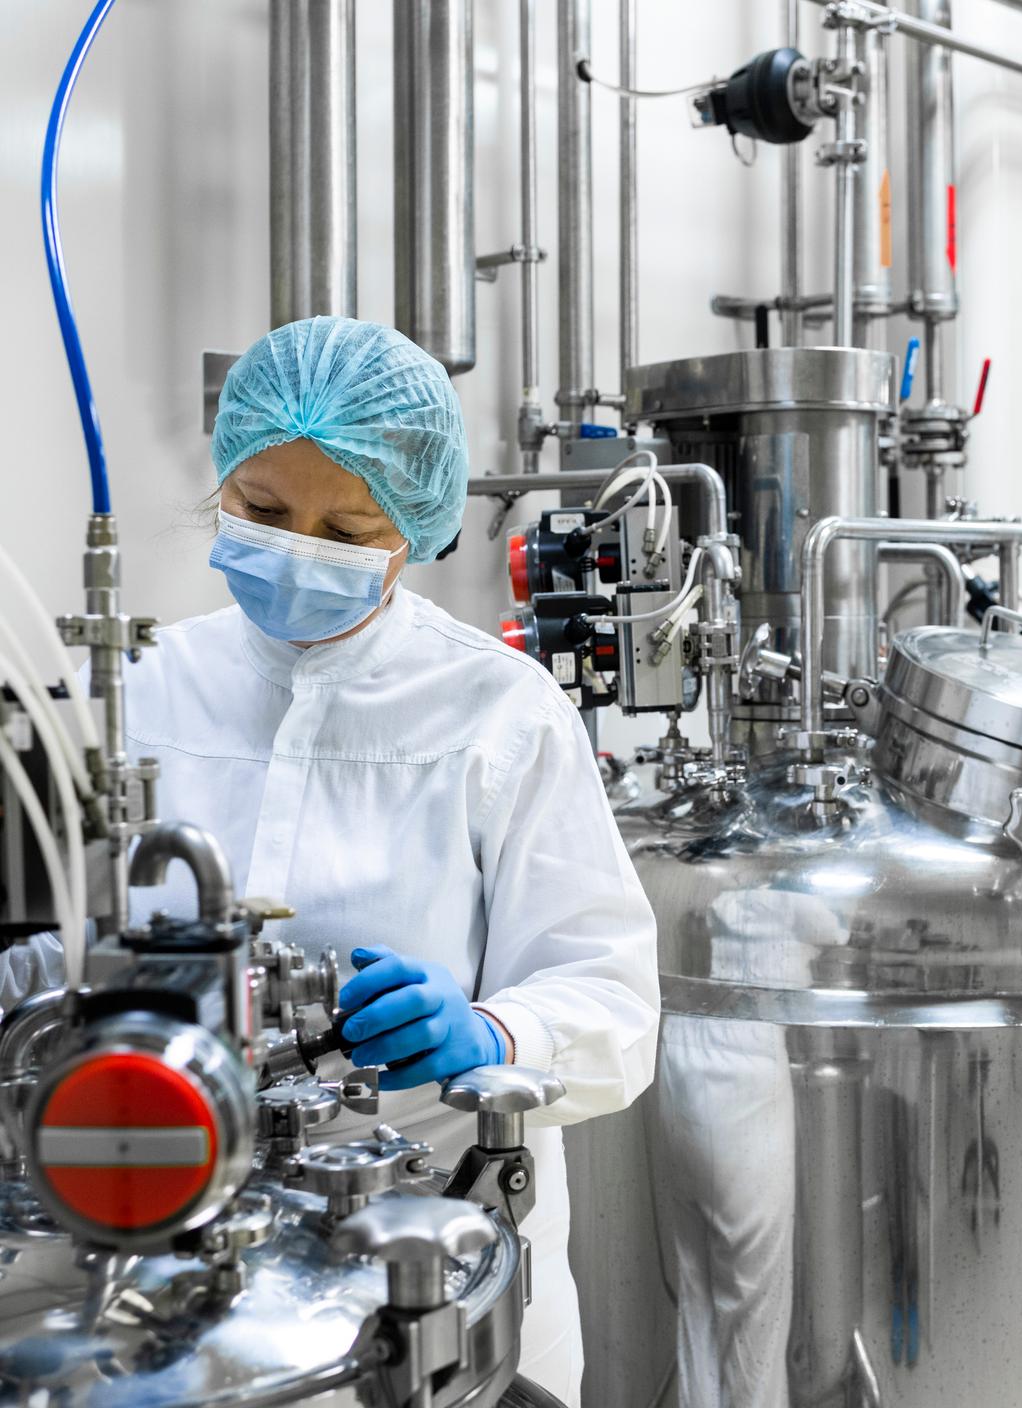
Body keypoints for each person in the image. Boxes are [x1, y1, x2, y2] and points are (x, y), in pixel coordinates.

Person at [69, 316, 659, 1404]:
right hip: (165, 1259)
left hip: (436, 1268)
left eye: (345, 528)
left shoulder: (500, 709)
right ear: (220, 485)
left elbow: (612, 998)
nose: (298, 548)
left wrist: (491, 1031)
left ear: (417, 529)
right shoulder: (146, 691)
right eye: (261, 512)